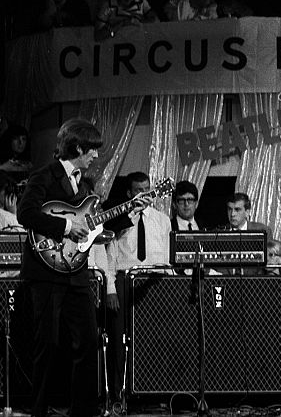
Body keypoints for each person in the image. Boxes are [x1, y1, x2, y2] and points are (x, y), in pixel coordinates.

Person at [16, 118, 150, 417]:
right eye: (92, 150)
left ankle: (83, 411)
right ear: (77, 147)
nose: (95, 156)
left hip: (76, 273)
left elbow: (94, 226)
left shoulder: (86, 186)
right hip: (46, 271)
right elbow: (26, 214)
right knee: (47, 344)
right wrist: (65, 226)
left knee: (89, 342)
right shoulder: (44, 176)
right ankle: (37, 410)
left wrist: (131, 212)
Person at [104, 171, 171, 398]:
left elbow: (167, 257)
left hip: (153, 282)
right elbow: (109, 256)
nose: (144, 195)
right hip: (124, 280)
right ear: (129, 193)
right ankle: (117, 394)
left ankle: (152, 392)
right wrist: (110, 289)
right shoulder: (118, 220)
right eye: (138, 191)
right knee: (118, 339)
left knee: (153, 338)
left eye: (147, 189)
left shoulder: (162, 220)